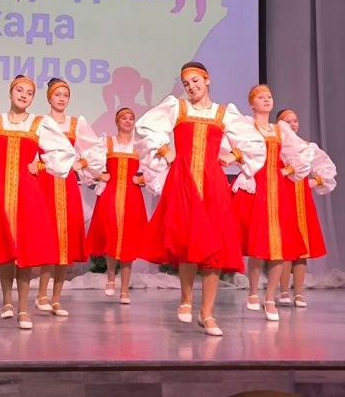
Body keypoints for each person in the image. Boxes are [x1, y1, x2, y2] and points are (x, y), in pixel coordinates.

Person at [135, 62, 265, 336]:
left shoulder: (223, 113)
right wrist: (165, 151)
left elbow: (254, 142)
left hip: (212, 183)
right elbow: (145, 127)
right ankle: (185, 299)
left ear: (207, 80)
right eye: (186, 83)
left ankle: (207, 313)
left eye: (195, 81)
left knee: (214, 247)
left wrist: (234, 155)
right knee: (187, 240)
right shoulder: (178, 108)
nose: (191, 87)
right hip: (183, 181)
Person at [0, 75, 76, 330]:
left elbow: (65, 152)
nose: (24, 95)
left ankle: (23, 308)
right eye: (19, 90)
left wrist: (41, 164)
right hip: (1, 190)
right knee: (5, 246)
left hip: (27, 191)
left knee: (25, 250)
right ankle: (6, 301)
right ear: (10, 92)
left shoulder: (38, 124)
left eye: (29, 93)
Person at [232, 85, 312, 322]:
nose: (266, 100)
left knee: (279, 244)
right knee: (258, 241)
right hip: (256, 187)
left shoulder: (280, 130)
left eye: (269, 96)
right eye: (261, 97)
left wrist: (289, 169)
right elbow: (235, 148)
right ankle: (253, 292)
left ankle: (269, 297)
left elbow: (304, 152)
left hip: (278, 188)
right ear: (252, 103)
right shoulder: (247, 126)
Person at [34, 78, 105, 317]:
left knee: (65, 241)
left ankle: (56, 298)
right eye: (58, 94)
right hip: (45, 182)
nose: (62, 99)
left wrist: (80, 163)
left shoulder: (76, 124)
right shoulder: (40, 123)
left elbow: (95, 150)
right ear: (49, 97)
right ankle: (41, 295)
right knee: (48, 238)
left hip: (66, 185)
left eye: (65, 95)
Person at [276, 108, 338, 308]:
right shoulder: (276, 145)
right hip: (283, 196)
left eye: (295, 121)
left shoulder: (307, 147)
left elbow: (326, 167)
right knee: (285, 247)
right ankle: (283, 291)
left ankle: (299, 293)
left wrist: (316, 180)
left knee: (302, 248)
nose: (292, 124)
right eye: (287, 122)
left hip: (302, 199)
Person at [86, 107, 148, 304]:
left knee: (129, 240)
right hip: (110, 195)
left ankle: (125, 290)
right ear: (117, 122)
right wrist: (100, 175)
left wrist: (142, 179)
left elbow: (157, 167)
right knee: (110, 234)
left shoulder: (139, 146)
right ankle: (111, 278)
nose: (128, 121)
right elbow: (89, 161)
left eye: (131, 118)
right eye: (124, 118)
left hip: (131, 196)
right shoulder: (107, 142)